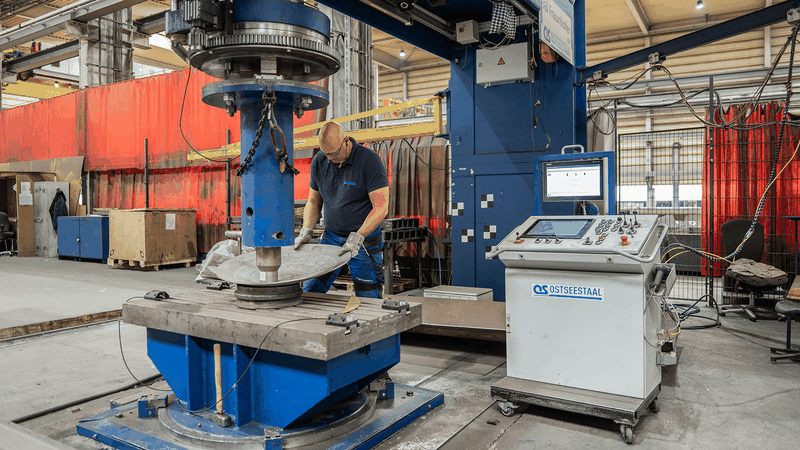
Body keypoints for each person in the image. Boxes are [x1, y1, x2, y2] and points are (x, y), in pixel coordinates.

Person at [294, 121, 390, 298]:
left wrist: (357, 237)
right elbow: (314, 202)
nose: (330, 158)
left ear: (346, 141)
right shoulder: (320, 160)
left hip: (363, 241)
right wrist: (306, 229)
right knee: (311, 289)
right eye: (326, 153)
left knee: (367, 296)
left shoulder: (369, 161)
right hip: (331, 237)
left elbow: (381, 207)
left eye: (334, 153)